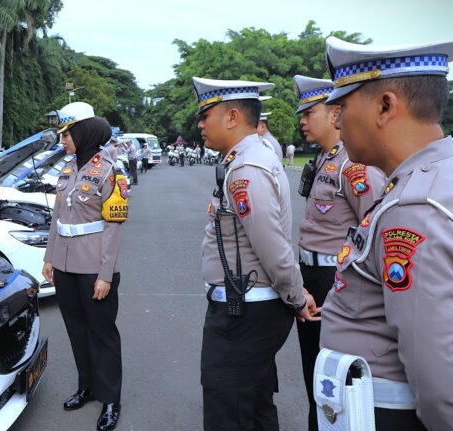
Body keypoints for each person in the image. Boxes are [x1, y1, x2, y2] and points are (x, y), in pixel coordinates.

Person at [318, 36, 453, 430]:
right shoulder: (428, 179)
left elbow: (438, 377)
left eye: (342, 106)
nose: (337, 121)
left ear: (385, 106)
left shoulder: (414, 207)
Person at [194, 76, 319, 430]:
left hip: (244, 312)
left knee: (228, 409)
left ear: (232, 117)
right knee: (255, 404)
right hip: (249, 306)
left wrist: (296, 296)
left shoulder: (246, 169)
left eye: (207, 114)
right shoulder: (247, 158)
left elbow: (273, 246)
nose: (201, 124)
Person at [292, 74, 384, 431]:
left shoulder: (353, 165)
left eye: (309, 111)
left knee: (333, 378)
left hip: (336, 280)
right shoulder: (323, 160)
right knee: (314, 373)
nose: (302, 119)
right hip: (311, 276)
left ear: (334, 115)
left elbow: (373, 229)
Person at [42, 101, 128, 431]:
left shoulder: (111, 171)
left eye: (67, 133)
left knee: (102, 334)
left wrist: (105, 274)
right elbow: (57, 219)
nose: (63, 139)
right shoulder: (67, 170)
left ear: (83, 131)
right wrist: (49, 258)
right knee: (77, 331)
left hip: (95, 268)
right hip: (65, 266)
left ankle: (110, 398)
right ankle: (87, 387)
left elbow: (114, 227)